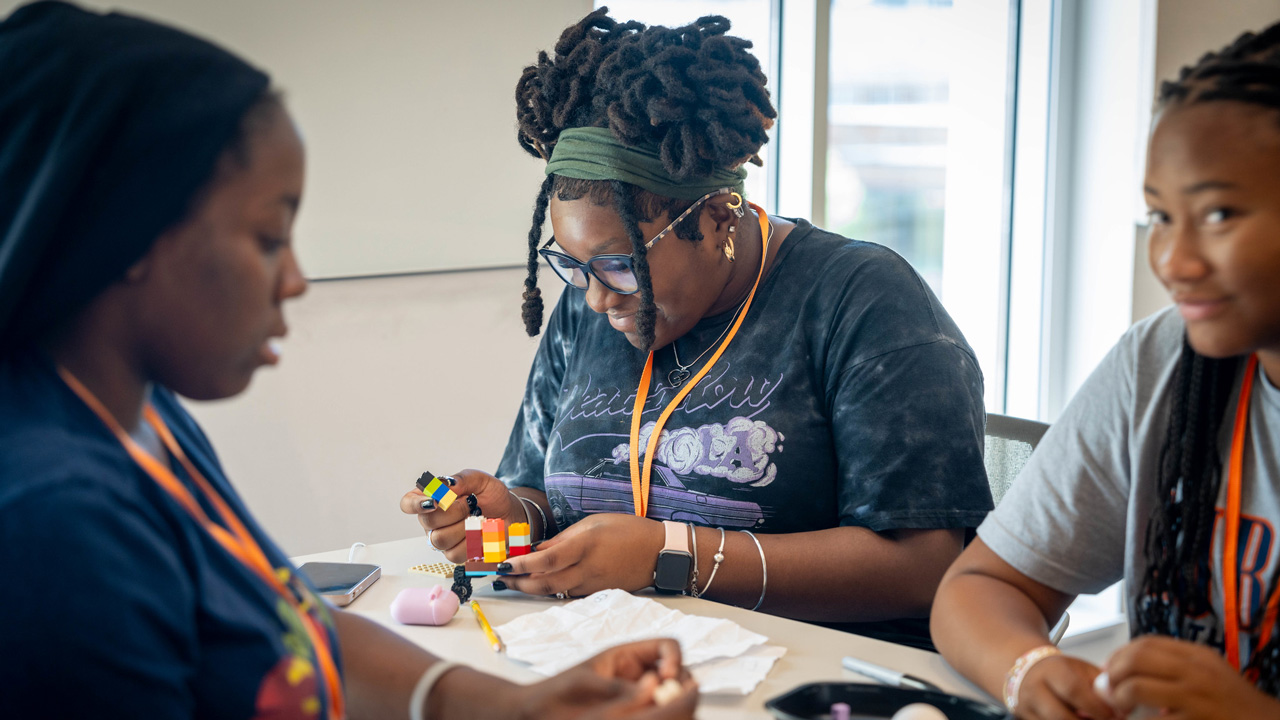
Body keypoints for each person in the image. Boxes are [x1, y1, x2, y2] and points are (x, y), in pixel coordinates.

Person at [0, 3, 698, 718]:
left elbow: (292, 628)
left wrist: (511, 706)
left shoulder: (144, 418)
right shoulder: (51, 523)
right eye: (270, 238)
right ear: (127, 236)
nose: (297, 279)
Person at [401, 7, 991, 649]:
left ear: (715, 217)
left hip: (817, 675)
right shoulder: (592, 303)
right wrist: (512, 514)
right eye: (572, 266)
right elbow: (541, 492)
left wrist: (669, 552)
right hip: (617, 660)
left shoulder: (864, 301)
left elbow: (923, 568)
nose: (595, 299)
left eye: (619, 265)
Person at [931, 22, 1280, 720]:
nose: (1173, 261)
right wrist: (1029, 670)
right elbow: (978, 588)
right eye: (1160, 214)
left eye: (1217, 213)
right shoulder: (1161, 362)